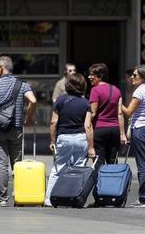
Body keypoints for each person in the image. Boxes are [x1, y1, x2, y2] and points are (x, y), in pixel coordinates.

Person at [0, 56, 37, 207]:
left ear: (1, 68)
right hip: (17, 128)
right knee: (17, 164)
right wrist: (29, 117)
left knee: (1, 165)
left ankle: (2, 199)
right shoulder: (23, 84)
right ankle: (20, 197)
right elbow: (33, 101)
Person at [45, 73, 95, 207]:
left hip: (64, 137)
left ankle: (49, 199)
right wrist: (91, 147)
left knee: (58, 168)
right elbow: (88, 126)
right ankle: (73, 197)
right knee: (79, 170)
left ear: (68, 85)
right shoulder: (85, 103)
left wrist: (52, 141)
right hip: (80, 138)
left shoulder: (60, 101)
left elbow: (53, 122)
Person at [86, 63, 126, 207]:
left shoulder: (95, 90)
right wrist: (122, 133)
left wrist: (85, 124)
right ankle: (114, 195)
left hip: (100, 130)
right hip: (114, 129)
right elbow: (120, 113)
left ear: (100, 76)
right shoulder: (116, 90)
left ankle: (100, 197)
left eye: (92, 74)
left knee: (98, 164)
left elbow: (94, 112)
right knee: (112, 164)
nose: (89, 77)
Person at [122, 64, 145, 208]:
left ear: (143, 77)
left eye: (135, 75)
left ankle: (143, 198)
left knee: (142, 164)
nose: (132, 77)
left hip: (141, 129)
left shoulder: (139, 92)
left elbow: (128, 112)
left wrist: (117, 103)